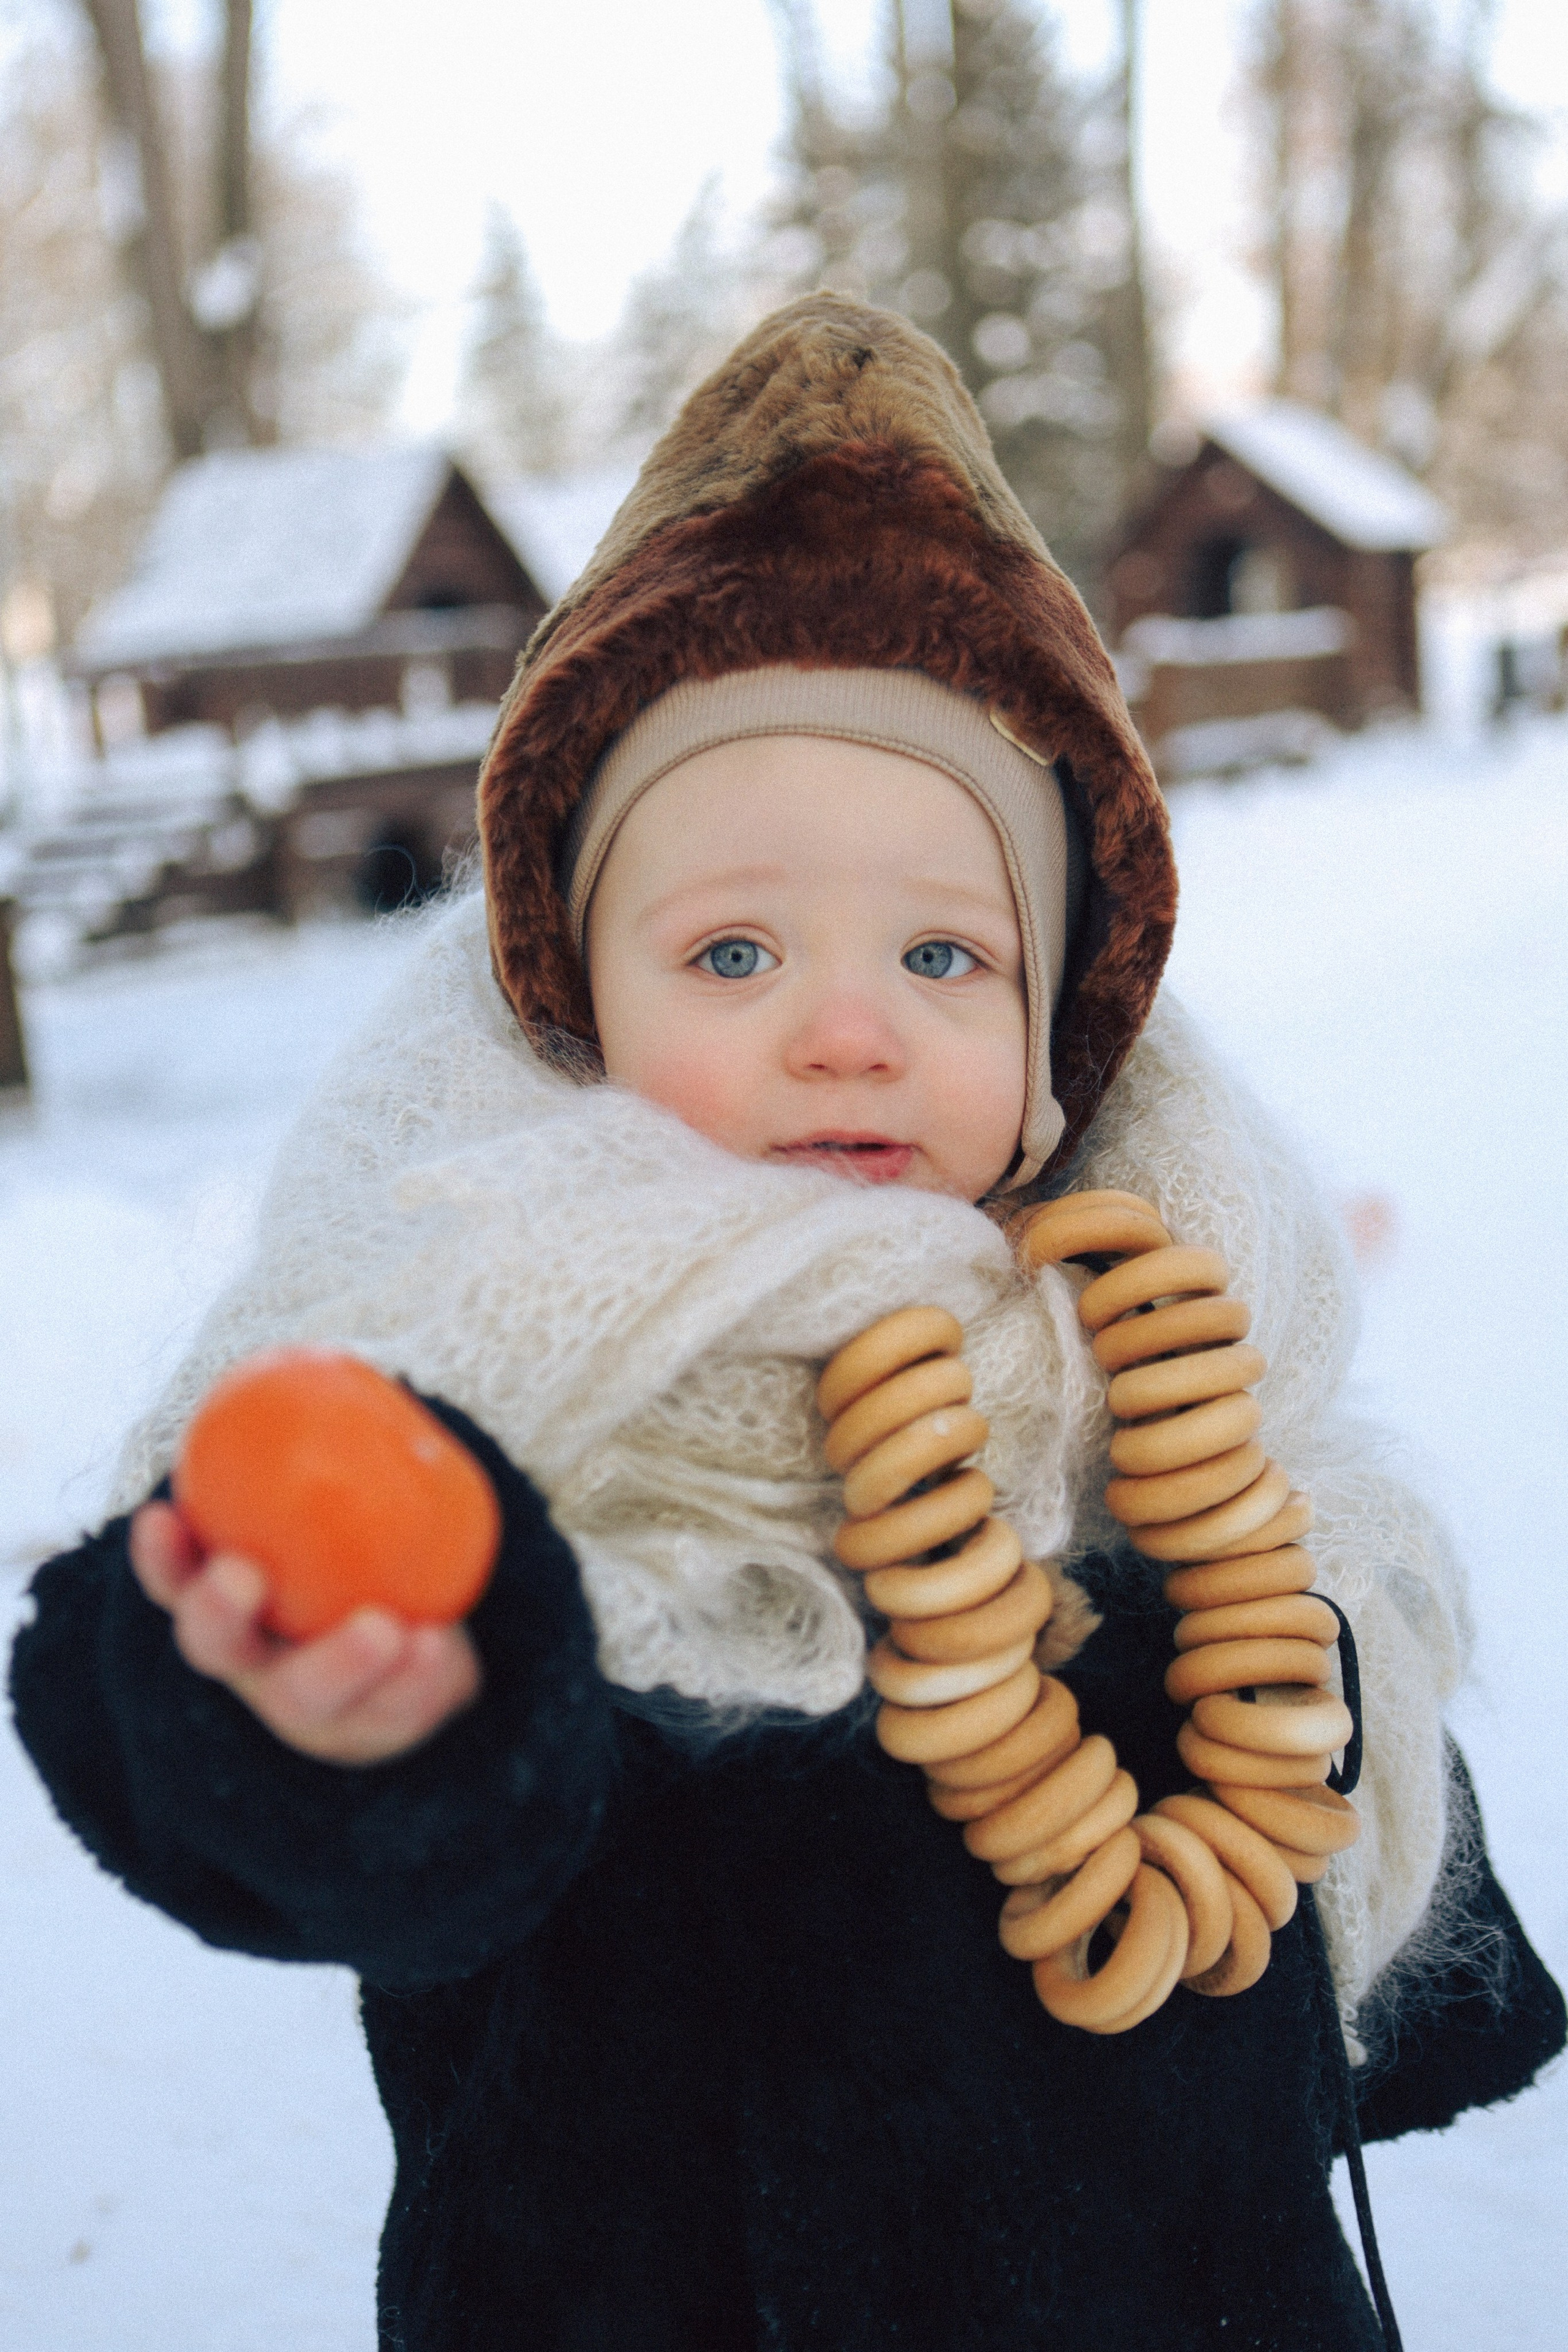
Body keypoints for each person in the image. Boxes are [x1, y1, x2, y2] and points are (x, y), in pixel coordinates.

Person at [11, 296, 1562, 2351]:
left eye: (944, 950)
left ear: (1052, 1047)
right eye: (734, 949)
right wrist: (329, 1731)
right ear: (578, 1008)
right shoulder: (476, 1386)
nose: (850, 1028)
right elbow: (342, 1825)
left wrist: (1297, 1703)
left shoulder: (1180, 1373)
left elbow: (1297, 1875)